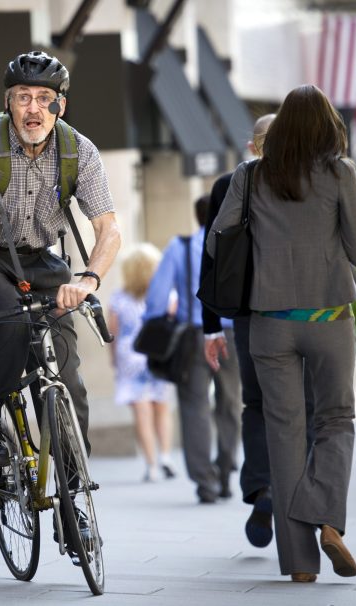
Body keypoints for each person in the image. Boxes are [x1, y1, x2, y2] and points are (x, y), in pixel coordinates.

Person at [0, 51, 121, 532]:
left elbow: (108, 228)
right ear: (9, 102)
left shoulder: (79, 151)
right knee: (8, 327)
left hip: (42, 260)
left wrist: (87, 281)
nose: (34, 109)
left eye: (44, 98)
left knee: (68, 376)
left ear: (60, 105)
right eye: (24, 98)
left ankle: (72, 496)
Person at [208, 84, 356, 583]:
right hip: (328, 318)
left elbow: (218, 241)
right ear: (328, 126)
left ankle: (299, 566)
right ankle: (327, 517)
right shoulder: (341, 173)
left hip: (270, 323)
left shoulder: (250, 175)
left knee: (283, 437)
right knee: (336, 420)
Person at [201, 114, 315, 549]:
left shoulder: (228, 184)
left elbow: (212, 256)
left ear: (253, 147)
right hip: (305, 313)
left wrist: (211, 325)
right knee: (302, 405)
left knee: (257, 404)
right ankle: (296, 493)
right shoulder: (313, 181)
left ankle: (264, 488)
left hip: (249, 313)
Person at [145, 196, 242, 504]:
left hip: (193, 336)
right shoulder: (236, 244)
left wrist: (158, 323)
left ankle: (205, 482)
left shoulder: (181, 247)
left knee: (194, 407)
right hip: (232, 335)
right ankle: (225, 470)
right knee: (231, 404)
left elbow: (156, 299)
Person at [108, 243, 176, 482]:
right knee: (162, 406)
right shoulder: (167, 295)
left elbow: (113, 333)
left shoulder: (118, 298)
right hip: (158, 353)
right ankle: (166, 456)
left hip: (130, 355)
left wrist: (114, 361)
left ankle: (152, 465)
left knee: (142, 412)